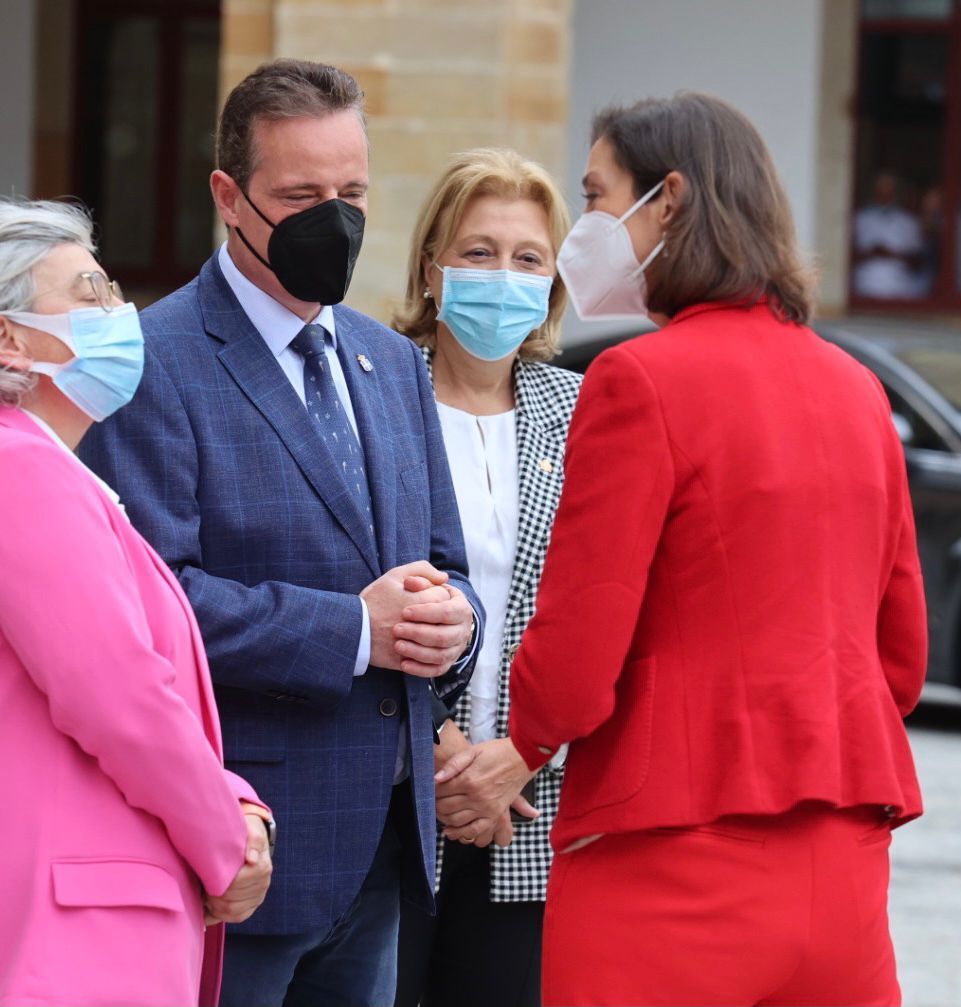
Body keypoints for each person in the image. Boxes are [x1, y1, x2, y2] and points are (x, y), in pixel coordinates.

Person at [439, 92, 928, 1007]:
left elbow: (580, 654)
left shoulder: (638, 378)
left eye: (595, 196)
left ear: (665, 201)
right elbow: (900, 654)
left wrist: (526, 739)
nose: (584, 223)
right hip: (845, 854)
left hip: (670, 857)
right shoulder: (858, 388)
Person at [78, 59, 485, 1007]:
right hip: (244, 853)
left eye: (351, 192)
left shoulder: (389, 360)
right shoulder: (154, 362)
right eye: (300, 195)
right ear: (229, 195)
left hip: (384, 842)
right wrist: (353, 629)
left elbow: (446, 562)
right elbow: (152, 602)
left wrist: (452, 618)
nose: (331, 219)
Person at [0, 199, 272, 1007]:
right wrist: (227, 836)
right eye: (88, 291)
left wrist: (232, 799)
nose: (118, 310)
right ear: (7, 338)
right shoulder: (9, 470)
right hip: (55, 944)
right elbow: (120, 693)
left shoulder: (18, 465)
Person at [389, 148, 581, 1007]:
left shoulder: (579, 413)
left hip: (529, 807)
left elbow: (604, 609)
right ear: (433, 269)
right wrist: (445, 753)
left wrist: (510, 763)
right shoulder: (376, 391)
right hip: (395, 790)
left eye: (527, 258)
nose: (503, 275)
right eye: (478, 252)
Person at [853, 170, 926, 299]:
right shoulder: (859, 218)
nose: (885, 192)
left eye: (889, 188)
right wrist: (870, 253)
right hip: (864, 285)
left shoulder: (908, 221)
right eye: (881, 188)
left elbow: (918, 261)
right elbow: (845, 255)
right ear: (874, 190)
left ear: (896, 191)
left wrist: (892, 254)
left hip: (900, 287)